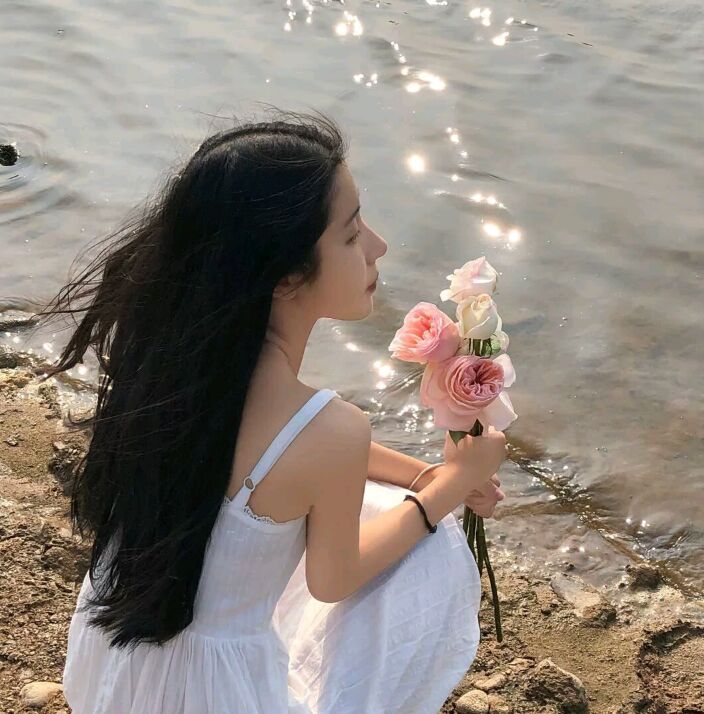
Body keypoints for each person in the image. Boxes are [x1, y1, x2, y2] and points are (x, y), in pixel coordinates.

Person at [34, 110, 507, 713]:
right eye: (351, 234)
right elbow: (334, 579)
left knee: (379, 496)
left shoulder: (166, 361)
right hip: (215, 696)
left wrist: (426, 474)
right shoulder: (329, 427)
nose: (378, 247)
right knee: (425, 543)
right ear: (284, 276)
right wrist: (452, 487)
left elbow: (285, 449)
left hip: (111, 668)